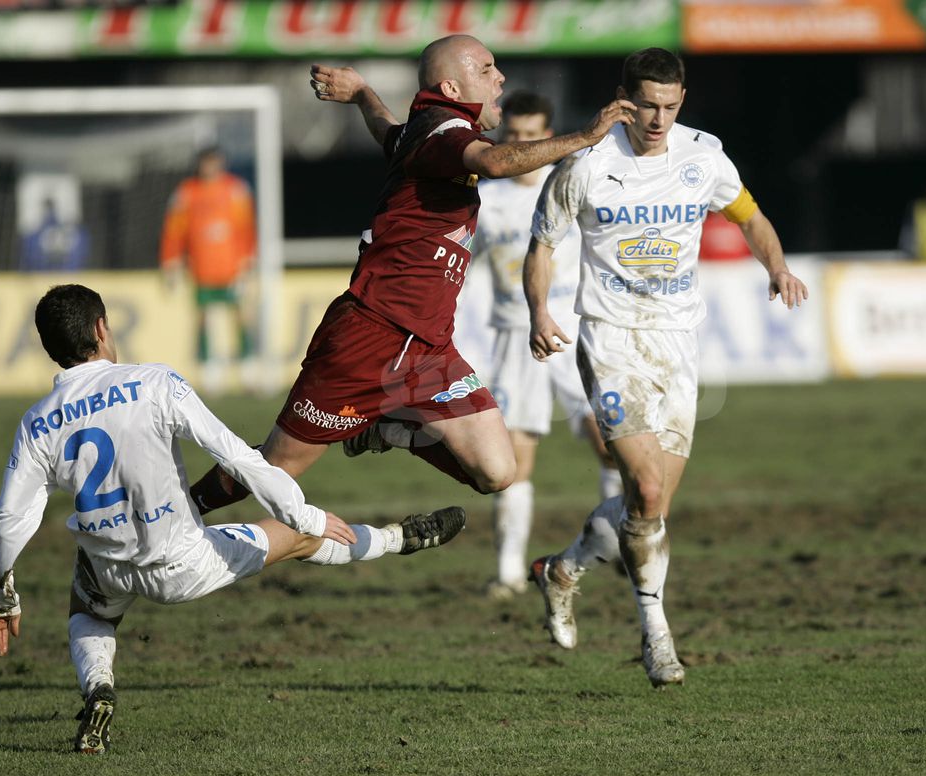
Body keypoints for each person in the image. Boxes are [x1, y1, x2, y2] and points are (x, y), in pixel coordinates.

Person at [0, 284, 466, 754]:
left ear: (50, 348)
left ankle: (98, 690)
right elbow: (236, 456)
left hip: (109, 567)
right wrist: (304, 515)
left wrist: (0, 596)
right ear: (101, 328)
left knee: (88, 609)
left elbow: (9, 519)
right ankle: (400, 538)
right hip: (184, 563)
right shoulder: (154, 383)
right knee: (297, 537)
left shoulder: (37, 423)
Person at [188, 35, 636, 518]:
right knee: (277, 466)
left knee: (497, 470)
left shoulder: (426, 131)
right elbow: (493, 162)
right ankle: (179, 511)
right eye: (486, 69)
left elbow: (388, 133)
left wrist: (363, 94)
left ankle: (389, 427)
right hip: (372, 335)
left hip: (428, 346)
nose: (500, 78)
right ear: (452, 87)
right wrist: (585, 137)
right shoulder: (446, 132)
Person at [524, 48, 808, 688]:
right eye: (648, 106)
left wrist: (778, 267)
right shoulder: (584, 164)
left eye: (670, 107)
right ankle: (656, 635)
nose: (658, 120)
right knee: (647, 490)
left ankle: (563, 569)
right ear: (623, 99)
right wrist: (540, 310)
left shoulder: (704, 156)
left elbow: (750, 215)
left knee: (647, 509)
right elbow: (542, 246)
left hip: (677, 342)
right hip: (609, 339)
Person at [472, 91, 623, 600]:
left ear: (547, 136)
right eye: (512, 135)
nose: (520, 145)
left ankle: (617, 545)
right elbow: (457, 262)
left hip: (577, 331)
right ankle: (509, 572)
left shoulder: (574, 179)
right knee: (513, 460)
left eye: (530, 135)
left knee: (610, 443)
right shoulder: (484, 199)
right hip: (514, 337)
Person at [160, 147, 257, 394]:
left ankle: (247, 365)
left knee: (240, 314)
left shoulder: (236, 190)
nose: (209, 167)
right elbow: (175, 230)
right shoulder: (187, 192)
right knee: (203, 316)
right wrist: (171, 260)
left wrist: (247, 260)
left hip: (232, 268)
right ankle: (209, 367)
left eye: (213, 162)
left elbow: (246, 227)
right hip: (202, 268)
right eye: (206, 162)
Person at [20, 197, 90, 271]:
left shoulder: (36, 234)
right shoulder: (69, 231)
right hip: (66, 271)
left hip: (45, 271)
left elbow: (30, 255)